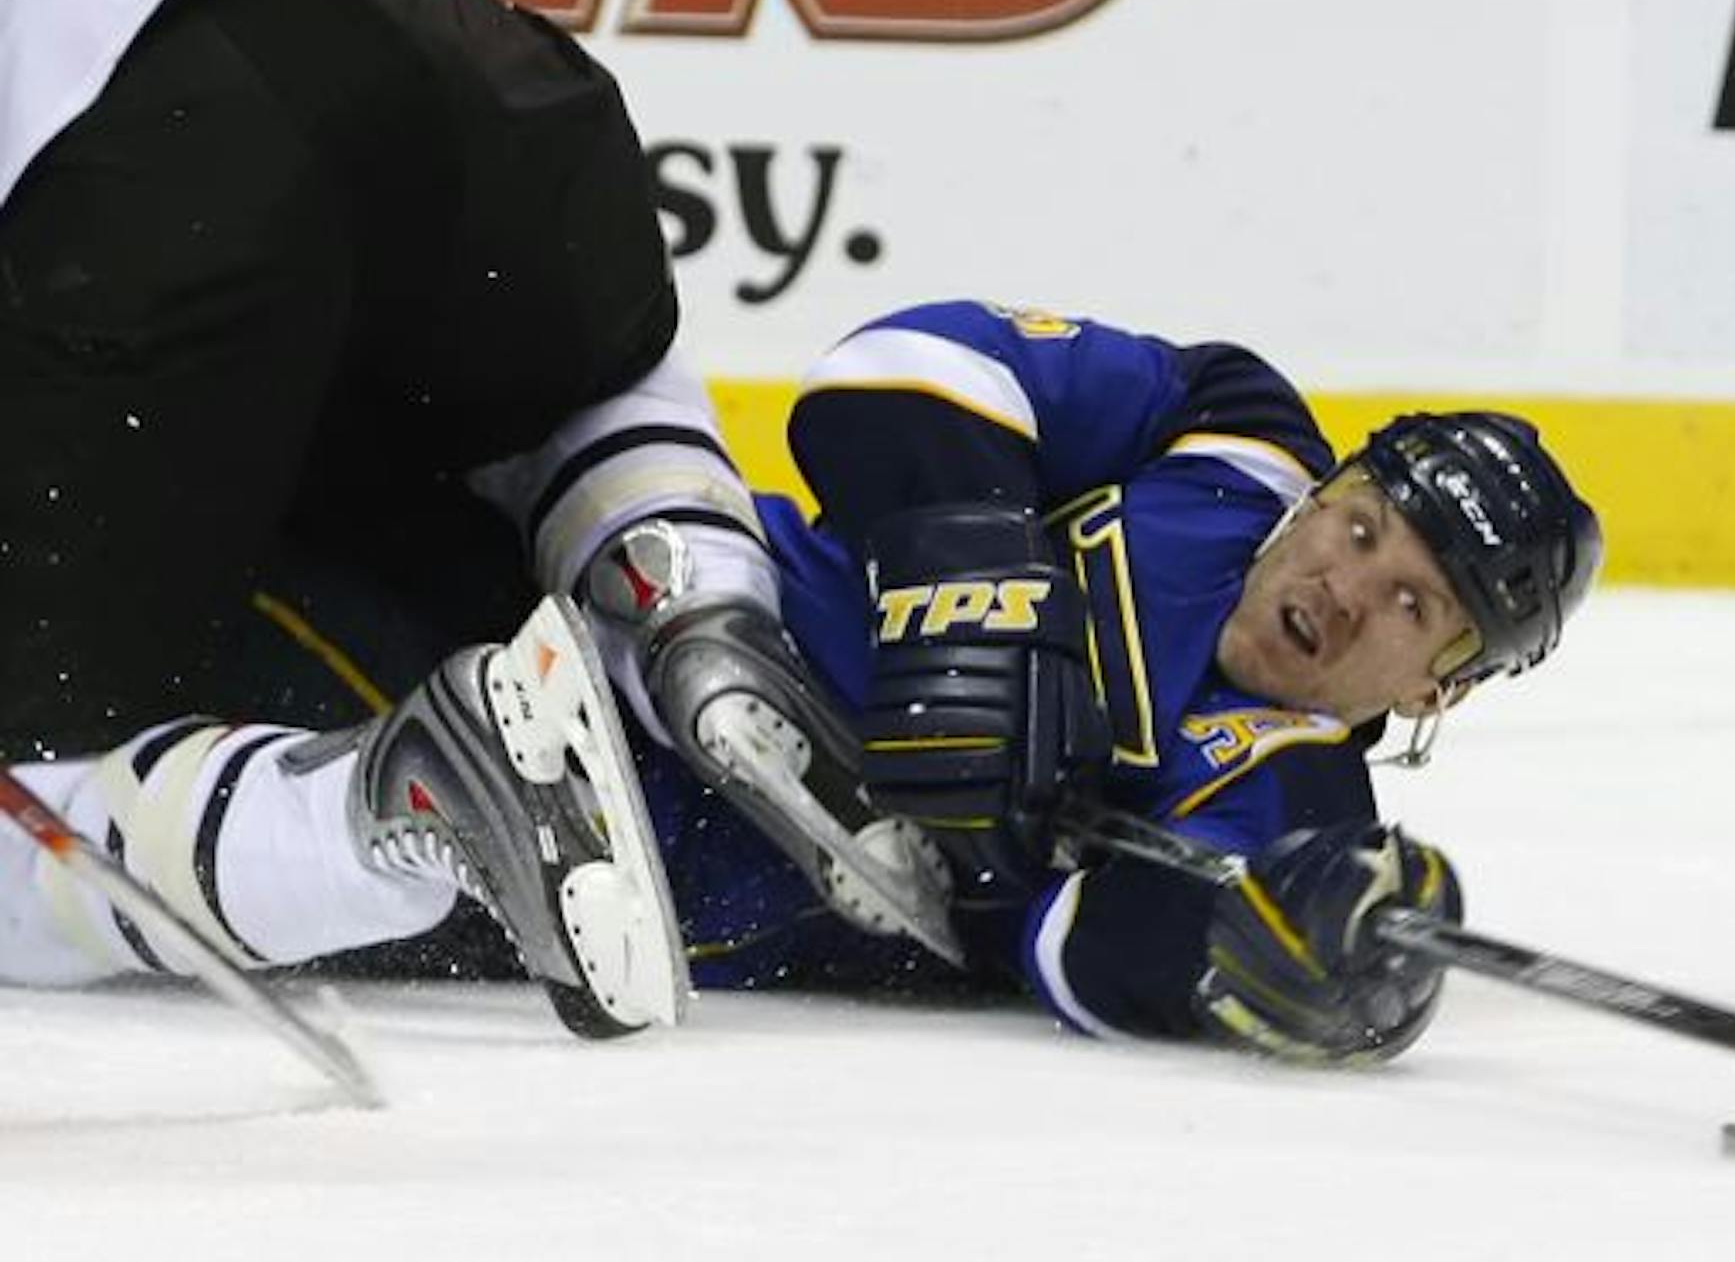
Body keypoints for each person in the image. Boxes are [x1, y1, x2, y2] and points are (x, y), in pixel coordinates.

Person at [6, 296, 1601, 1063]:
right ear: (1334, 482)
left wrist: (1284, 959)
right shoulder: (1235, 435)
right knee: (183, 505)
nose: (1347, 582)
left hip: (636, 829)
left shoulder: (1284, 807)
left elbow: (1069, 945)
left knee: (149, 686)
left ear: (1438, 686)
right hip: (635, 587)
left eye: (1414, 605)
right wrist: (975, 552)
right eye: (1366, 523)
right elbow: (907, 368)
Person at [0, 0, 723, 1034]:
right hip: (435, 50)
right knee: (553, 373)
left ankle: (390, 800)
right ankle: (696, 579)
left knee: (28, 828)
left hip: (149, 189)